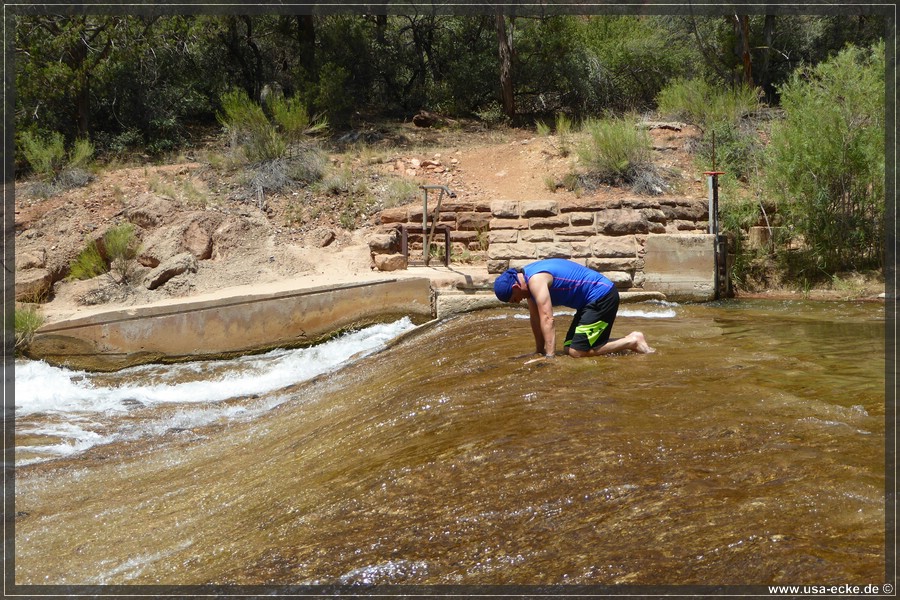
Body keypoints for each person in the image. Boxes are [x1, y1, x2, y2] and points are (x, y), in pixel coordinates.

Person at [493, 258, 654, 359]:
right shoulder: (528, 282)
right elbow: (536, 320)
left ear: (515, 286)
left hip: (602, 296)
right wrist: (539, 351)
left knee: (577, 352)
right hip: (588, 303)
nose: (517, 301)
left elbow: (547, 318)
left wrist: (550, 357)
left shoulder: (535, 280)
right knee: (569, 347)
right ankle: (626, 341)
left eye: (514, 298)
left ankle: (632, 341)